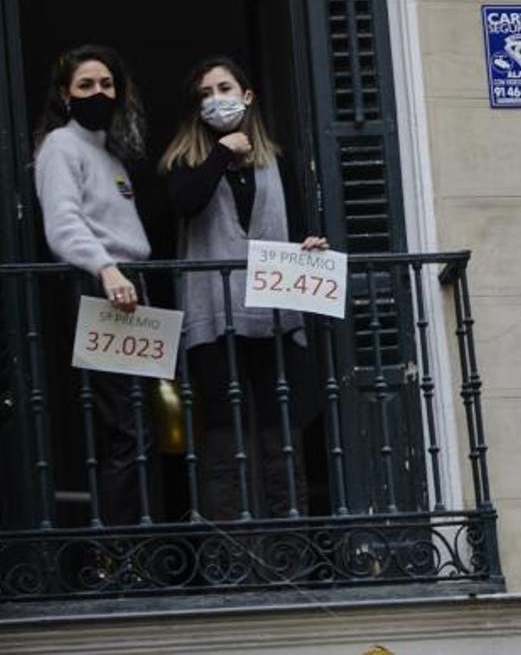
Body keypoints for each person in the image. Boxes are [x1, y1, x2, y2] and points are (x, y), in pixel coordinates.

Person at [160, 57, 325, 521]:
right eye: (205, 94)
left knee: (280, 432)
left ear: (247, 95)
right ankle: (231, 549)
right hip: (214, 315)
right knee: (222, 435)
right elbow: (186, 204)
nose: (216, 99)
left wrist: (307, 246)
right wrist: (220, 154)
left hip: (273, 313)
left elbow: (294, 225)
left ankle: (288, 545)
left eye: (224, 88)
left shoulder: (277, 163)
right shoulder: (183, 163)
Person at [33, 44, 152, 527]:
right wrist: (105, 269)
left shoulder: (110, 153)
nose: (98, 92)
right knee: (125, 427)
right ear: (66, 95)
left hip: (129, 287)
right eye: (86, 85)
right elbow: (63, 224)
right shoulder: (61, 146)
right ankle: (116, 554)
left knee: (142, 424)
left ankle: (132, 543)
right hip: (101, 287)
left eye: (106, 84)